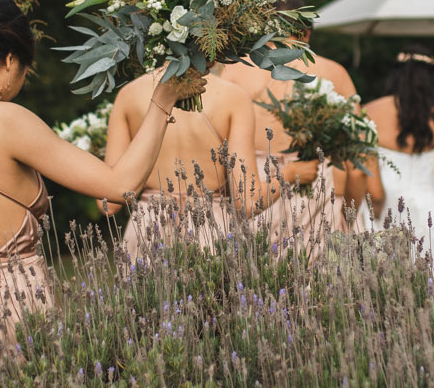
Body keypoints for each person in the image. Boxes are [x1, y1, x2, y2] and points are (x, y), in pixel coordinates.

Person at [0, 0, 200, 388]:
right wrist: (163, 100)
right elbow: (120, 185)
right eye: (25, 70)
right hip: (8, 304)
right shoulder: (8, 121)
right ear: (8, 61)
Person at [103, 66, 306, 263]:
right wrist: (291, 173)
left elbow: (108, 204)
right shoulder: (232, 97)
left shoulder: (129, 94)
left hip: (148, 227)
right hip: (210, 231)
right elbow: (247, 203)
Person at [216, 5, 358, 255]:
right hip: (316, 177)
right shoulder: (333, 71)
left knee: (254, 272)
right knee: (315, 275)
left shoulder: (232, 71)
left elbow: (214, 139)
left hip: (253, 180)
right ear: (306, 32)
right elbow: (354, 149)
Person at [347, 48, 434, 287]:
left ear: (396, 75)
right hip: (431, 212)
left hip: (382, 210)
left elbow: (364, 169)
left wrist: (375, 208)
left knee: (382, 288)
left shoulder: (369, 112)